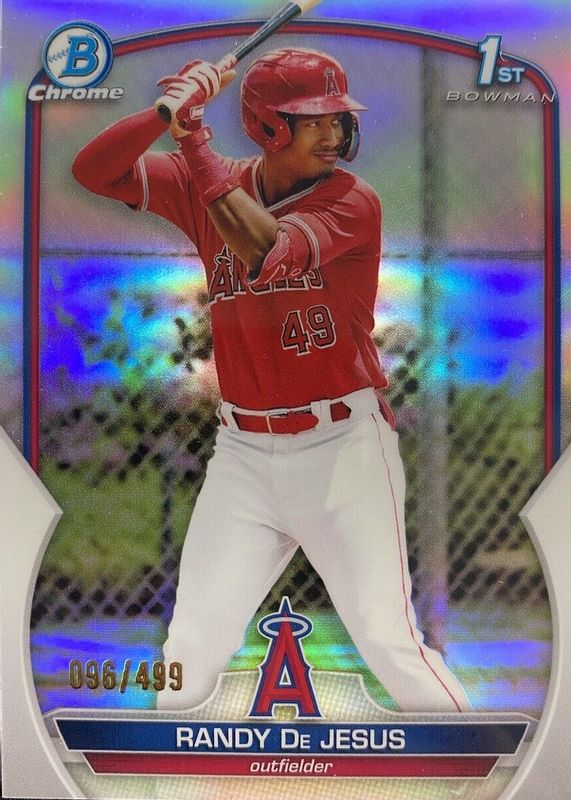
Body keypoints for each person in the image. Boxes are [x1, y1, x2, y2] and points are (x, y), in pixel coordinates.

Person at [72, 47, 470, 712]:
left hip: (343, 448)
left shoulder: (352, 200)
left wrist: (192, 140)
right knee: (193, 642)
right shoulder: (208, 177)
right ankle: (163, 767)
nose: (333, 133)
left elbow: (264, 247)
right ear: (265, 126)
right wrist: (164, 114)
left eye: (337, 119)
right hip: (245, 453)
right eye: (311, 120)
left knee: (387, 638)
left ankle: (485, 760)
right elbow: (93, 170)